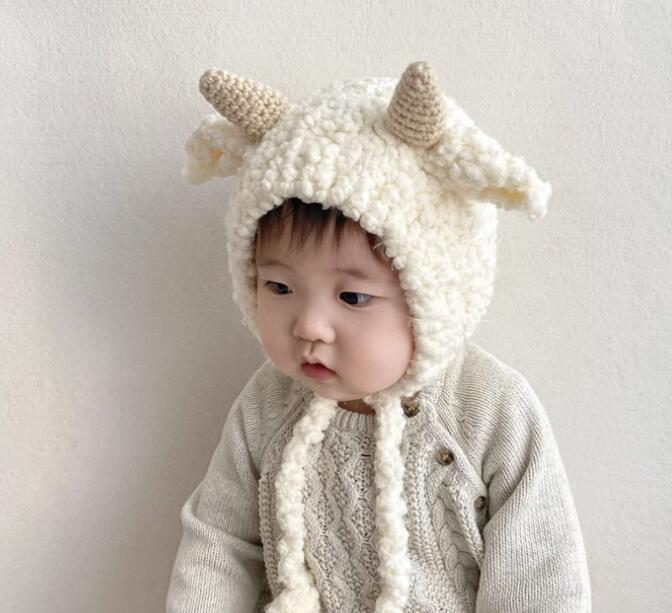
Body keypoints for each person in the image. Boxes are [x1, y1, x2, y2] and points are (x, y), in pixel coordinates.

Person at [165, 61, 591, 612]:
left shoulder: (489, 410)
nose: (308, 325)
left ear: (432, 297)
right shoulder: (267, 405)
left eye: (352, 297)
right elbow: (219, 544)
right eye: (279, 286)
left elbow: (540, 575)